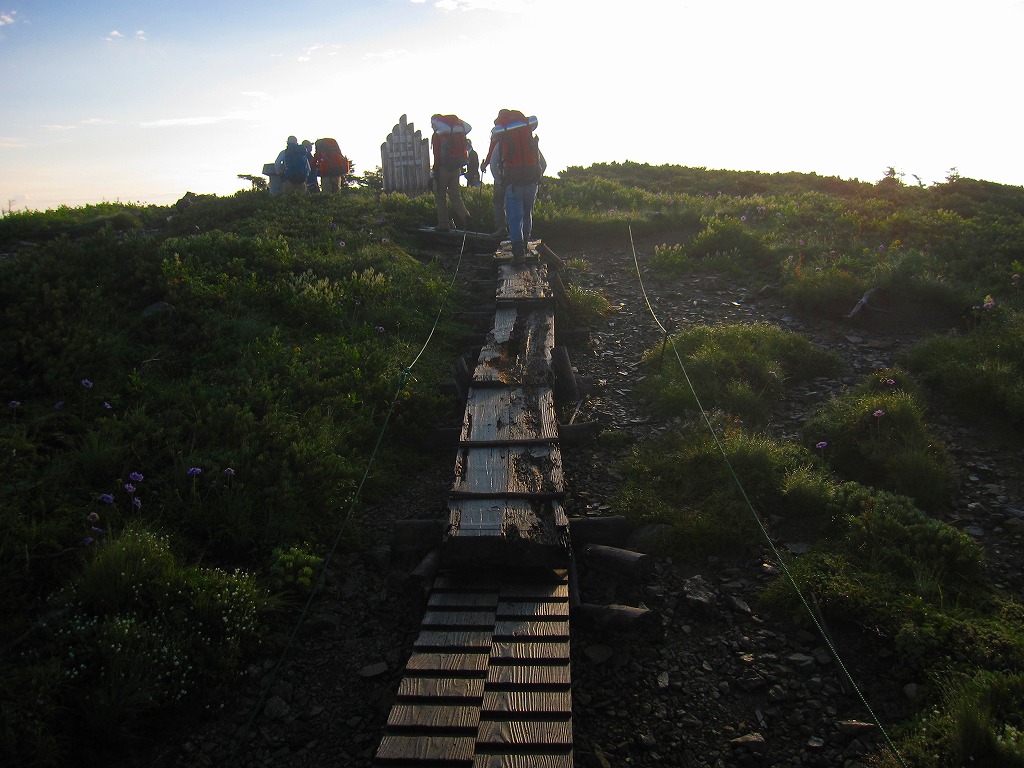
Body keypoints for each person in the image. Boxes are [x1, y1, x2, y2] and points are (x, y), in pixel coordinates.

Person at [490, 110, 545, 262]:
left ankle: (518, 249)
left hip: (513, 184)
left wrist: (500, 181)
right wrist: (536, 179)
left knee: (514, 217)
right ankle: (526, 241)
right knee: (528, 213)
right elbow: (543, 163)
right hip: (531, 184)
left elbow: (493, 165)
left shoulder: (503, 141)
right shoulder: (529, 140)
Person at [430, 114, 472, 231]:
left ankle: (443, 224)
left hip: (443, 168)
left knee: (440, 195)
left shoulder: (437, 135)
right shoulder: (456, 133)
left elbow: (437, 155)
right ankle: (466, 216)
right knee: (455, 196)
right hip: (456, 168)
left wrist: (435, 170)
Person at [480, 132, 506, 237]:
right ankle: (519, 233)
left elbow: (491, 155)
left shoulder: (498, 136)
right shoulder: (518, 134)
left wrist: (485, 164)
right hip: (517, 176)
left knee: (498, 202)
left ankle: (501, 229)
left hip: (501, 175)